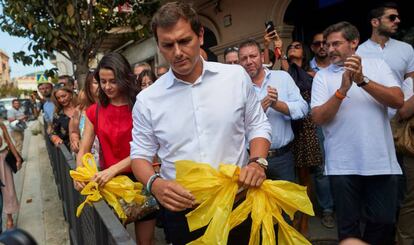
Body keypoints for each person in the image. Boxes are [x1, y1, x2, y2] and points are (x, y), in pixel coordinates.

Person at [130, 2, 272, 244]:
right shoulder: (147, 100)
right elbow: (140, 155)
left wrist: (257, 163)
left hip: (238, 205)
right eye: (168, 45)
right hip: (184, 214)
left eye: (184, 41)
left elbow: (258, 125)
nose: (177, 52)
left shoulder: (235, 77)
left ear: (201, 36)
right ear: (159, 46)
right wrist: (155, 184)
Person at [311, 21, 403, 245]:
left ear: (354, 43)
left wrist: (362, 81)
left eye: (336, 43)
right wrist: (342, 91)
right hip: (342, 166)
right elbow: (318, 118)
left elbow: (398, 100)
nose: (330, 49)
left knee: (382, 224)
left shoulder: (378, 65)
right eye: (327, 44)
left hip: (381, 163)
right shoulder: (322, 77)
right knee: (348, 230)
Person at [75, 53, 155, 245]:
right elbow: (84, 146)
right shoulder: (94, 111)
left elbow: (145, 149)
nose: (107, 86)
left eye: (113, 81)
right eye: (103, 81)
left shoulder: (141, 106)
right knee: (114, 240)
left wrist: (112, 170)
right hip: (110, 185)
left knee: (146, 242)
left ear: (124, 78)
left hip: (142, 179)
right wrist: (79, 172)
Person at [356, 3, 414, 244]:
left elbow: (411, 81)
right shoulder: (358, 50)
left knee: (409, 188)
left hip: (404, 123)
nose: (397, 21)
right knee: (374, 185)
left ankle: (403, 239)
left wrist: (404, 109)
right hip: (371, 126)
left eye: (398, 17)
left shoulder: (406, 49)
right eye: (392, 17)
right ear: (375, 21)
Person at [238, 39, 308, 183]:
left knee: (288, 204)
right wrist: (259, 109)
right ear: (240, 62)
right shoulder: (237, 87)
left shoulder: (282, 77)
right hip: (252, 161)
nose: (249, 61)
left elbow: (303, 109)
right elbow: (234, 125)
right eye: (244, 58)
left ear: (262, 57)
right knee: (258, 205)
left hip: (282, 158)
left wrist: (276, 104)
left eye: (253, 56)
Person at [69, 71, 99, 156]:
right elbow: (74, 131)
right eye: (96, 82)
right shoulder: (79, 110)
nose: (101, 85)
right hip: (88, 161)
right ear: (88, 86)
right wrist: (75, 139)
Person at [0, 118, 22, 230]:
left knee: (8, 190)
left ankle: (9, 218)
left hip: (2, 158)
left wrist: (17, 158)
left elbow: (8, 141)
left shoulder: (1, 124)